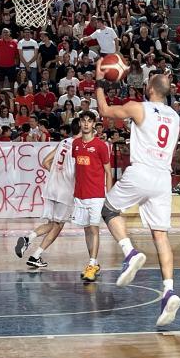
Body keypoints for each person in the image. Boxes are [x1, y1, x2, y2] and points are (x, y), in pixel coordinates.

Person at [94, 65, 180, 327]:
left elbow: (105, 112)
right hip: (163, 178)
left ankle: (129, 252)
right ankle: (169, 290)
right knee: (160, 235)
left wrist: (100, 82)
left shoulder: (139, 107)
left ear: (150, 89)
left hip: (142, 171)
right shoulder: (175, 117)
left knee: (108, 210)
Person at [15, 123, 79, 268]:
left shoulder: (63, 142)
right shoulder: (79, 146)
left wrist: (58, 174)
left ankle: (31, 247)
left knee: (52, 223)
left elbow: (45, 162)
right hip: (65, 190)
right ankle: (34, 252)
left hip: (51, 187)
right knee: (58, 225)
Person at [71, 111, 113, 281]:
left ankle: (92, 262)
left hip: (96, 195)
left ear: (94, 124)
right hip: (80, 195)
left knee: (94, 229)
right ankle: (93, 264)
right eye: (84, 121)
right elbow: (77, 169)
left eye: (89, 121)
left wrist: (109, 197)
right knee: (87, 230)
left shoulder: (101, 146)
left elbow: (108, 173)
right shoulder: (75, 144)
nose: (86, 124)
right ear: (80, 123)